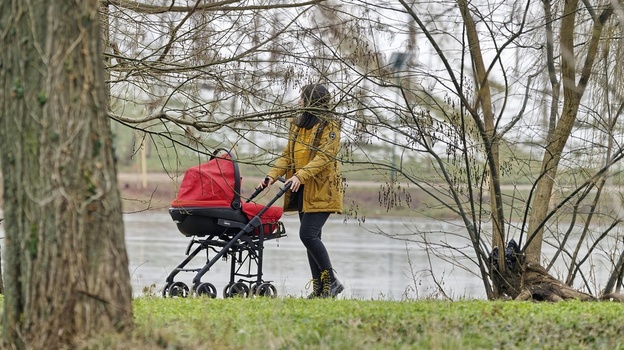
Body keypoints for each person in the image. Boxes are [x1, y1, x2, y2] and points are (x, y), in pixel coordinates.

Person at [259, 83, 344, 298]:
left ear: (312, 101)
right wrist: (271, 175)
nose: (299, 101)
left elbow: (325, 157)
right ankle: (320, 289)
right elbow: (288, 155)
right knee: (312, 237)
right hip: (302, 189)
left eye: (303, 98)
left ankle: (332, 282)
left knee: (308, 234)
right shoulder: (297, 125)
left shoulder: (330, 126)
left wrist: (300, 175)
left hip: (322, 188)